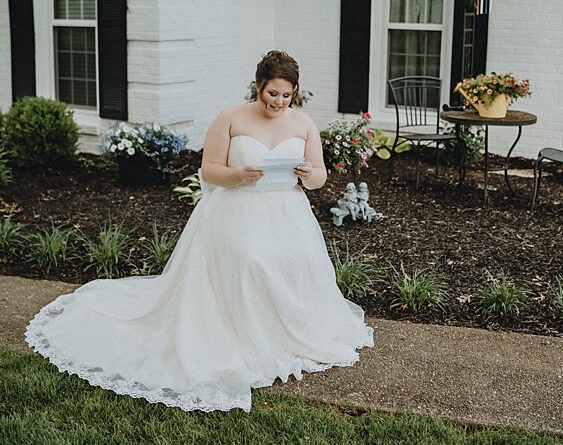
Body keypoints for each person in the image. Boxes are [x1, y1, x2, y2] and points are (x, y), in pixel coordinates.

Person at [25, 50, 373, 412]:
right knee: (249, 257)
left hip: (287, 211)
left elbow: (319, 176)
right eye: (273, 94)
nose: (279, 103)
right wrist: (240, 175)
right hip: (235, 209)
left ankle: (287, 332)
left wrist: (307, 174)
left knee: (298, 257)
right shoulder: (230, 118)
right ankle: (242, 336)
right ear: (258, 86)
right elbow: (209, 171)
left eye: (287, 96)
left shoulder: (303, 124)